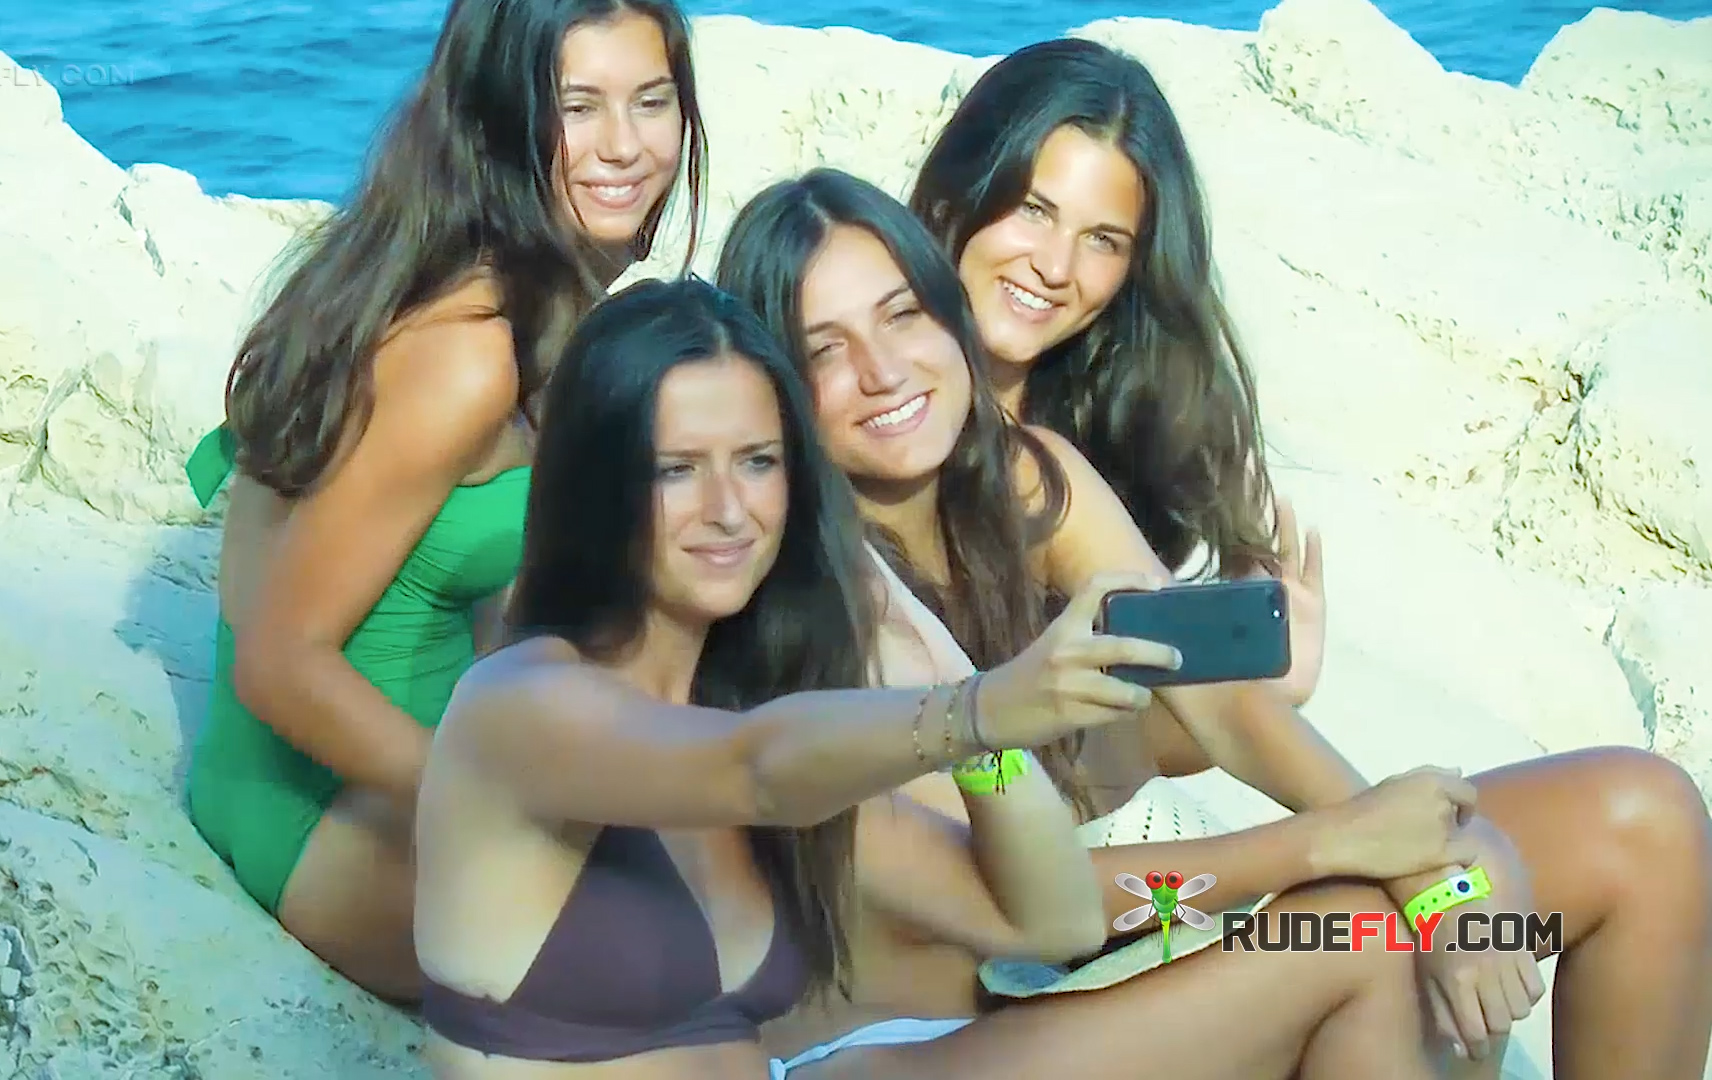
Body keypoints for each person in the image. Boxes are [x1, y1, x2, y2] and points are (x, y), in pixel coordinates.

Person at [715, 165, 1712, 1080]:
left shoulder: (1025, 475)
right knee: (1361, 936)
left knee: (1640, 814)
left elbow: (1223, 702)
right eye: (825, 351)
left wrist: (1436, 858)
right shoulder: (814, 594)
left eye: (902, 317)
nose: (884, 369)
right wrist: (1346, 849)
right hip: (921, 1039)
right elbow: (1018, 906)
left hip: (1089, 977)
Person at [413, 275, 1204, 1079]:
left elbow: (1048, 922)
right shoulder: (518, 705)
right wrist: (976, 707)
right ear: (596, 488)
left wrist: (969, 718)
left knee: (1338, 942)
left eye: (758, 462)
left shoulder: (752, 719)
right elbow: (750, 769)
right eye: (676, 469)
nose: (729, 509)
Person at [177, 0, 708, 1001]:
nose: (626, 147)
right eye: (577, 107)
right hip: (330, 807)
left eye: (652, 101)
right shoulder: (466, 349)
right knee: (750, 939)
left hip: (394, 762)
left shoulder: (471, 263)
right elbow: (279, 663)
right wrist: (498, 804)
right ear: (502, 115)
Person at [908, 37, 1329, 708]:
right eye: (1033, 210)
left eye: (1102, 240)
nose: (1055, 266)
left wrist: (1261, 684)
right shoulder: (884, 422)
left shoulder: (1094, 435)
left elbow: (1102, 756)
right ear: (958, 195)